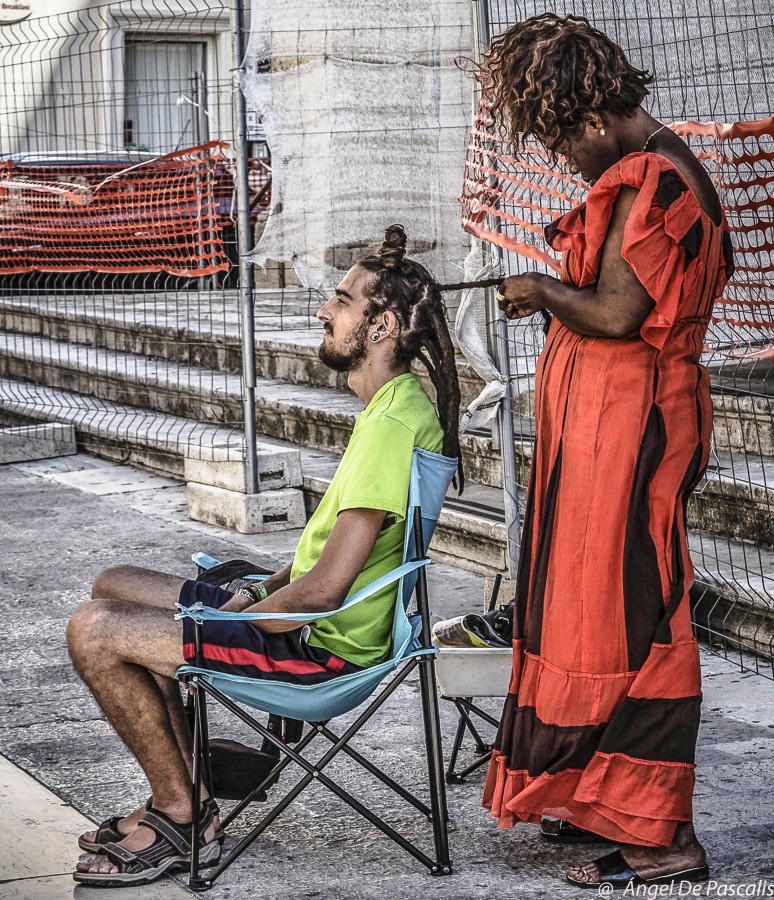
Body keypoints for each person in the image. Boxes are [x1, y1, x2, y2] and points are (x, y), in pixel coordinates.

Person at [66, 224, 463, 888]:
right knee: (115, 583)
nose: (323, 312)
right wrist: (254, 591)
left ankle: (182, 811)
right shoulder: (392, 408)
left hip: (318, 649)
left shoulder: (392, 427)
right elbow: (324, 564)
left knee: (94, 630)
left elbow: (327, 590)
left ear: (381, 326)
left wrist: (237, 621)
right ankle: (188, 783)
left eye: (340, 301)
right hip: (296, 617)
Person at [480, 14, 734, 889]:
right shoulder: (664, 166)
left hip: (633, 430)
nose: (563, 159)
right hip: (614, 429)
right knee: (590, 612)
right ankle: (598, 799)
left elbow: (621, 314)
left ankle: (663, 836)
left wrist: (541, 288)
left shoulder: (648, 179)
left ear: (588, 120)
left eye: (559, 142)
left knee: (636, 616)